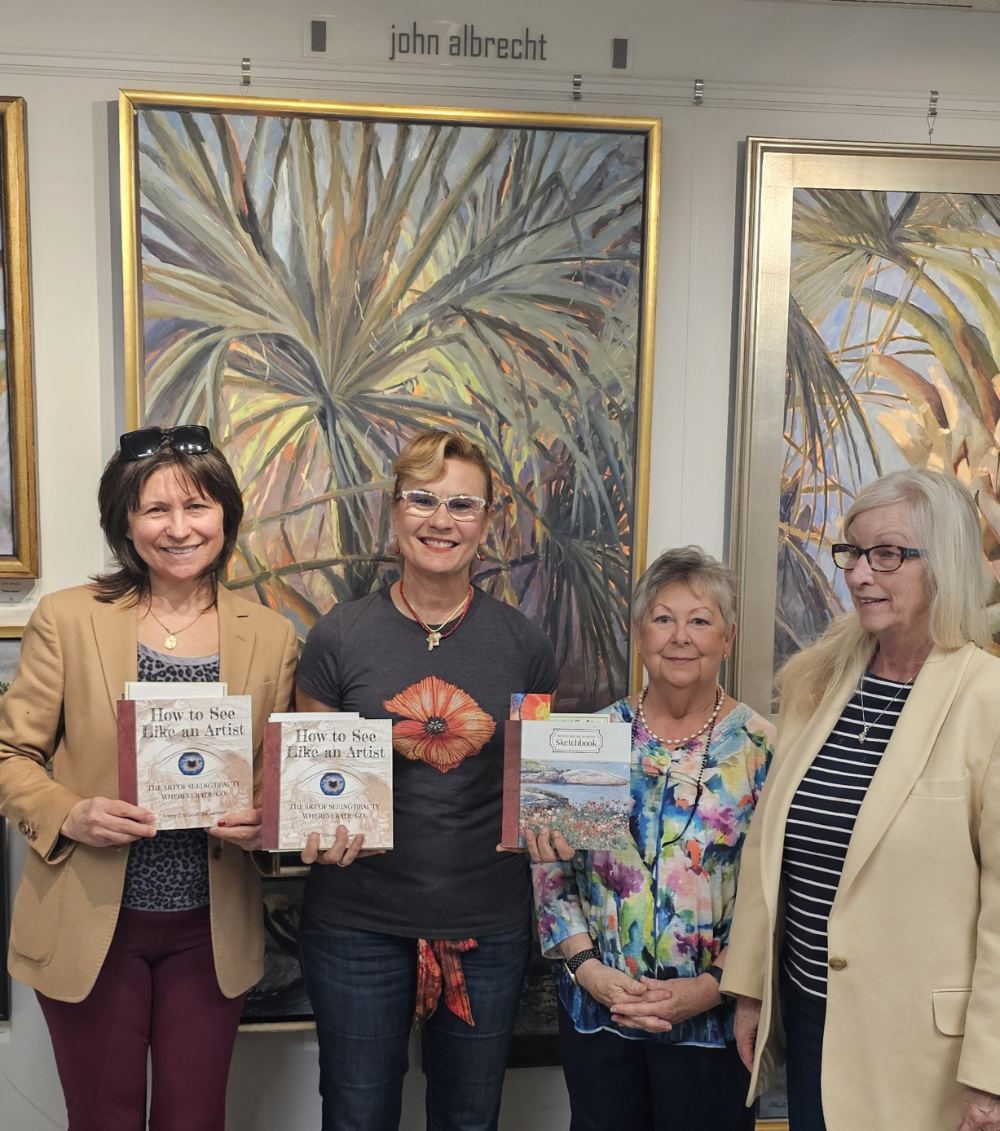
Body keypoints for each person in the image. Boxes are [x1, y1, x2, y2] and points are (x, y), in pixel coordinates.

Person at [0, 425, 298, 1131]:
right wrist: (70, 813)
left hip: (209, 929)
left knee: (194, 1120)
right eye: (155, 509)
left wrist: (268, 819)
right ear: (125, 522)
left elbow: (277, 778)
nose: (179, 528)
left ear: (225, 515)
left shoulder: (271, 634)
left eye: (197, 506)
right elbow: (10, 755)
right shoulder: (68, 619)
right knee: (103, 1118)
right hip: (92, 922)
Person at [294, 428, 559, 1131]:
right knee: (356, 1116)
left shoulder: (526, 645)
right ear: (394, 511)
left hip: (487, 925)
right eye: (423, 499)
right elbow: (311, 783)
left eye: (462, 504)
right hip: (357, 922)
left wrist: (553, 825)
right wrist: (309, 828)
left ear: (487, 523)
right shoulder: (338, 637)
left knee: (470, 1120)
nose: (442, 520)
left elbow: (536, 783)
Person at [724, 467, 1000, 1131]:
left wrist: (991, 1073)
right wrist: (751, 988)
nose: (858, 574)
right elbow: (769, 842)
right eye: (852, 551)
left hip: (923, 1052)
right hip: (811, 1016)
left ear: (945, 563)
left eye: (888, 554)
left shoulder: (988, 699)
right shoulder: (820, 679)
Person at [529, 546, 774, 1131]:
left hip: (714, 1022)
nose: (680, 637)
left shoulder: (765, 749)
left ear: (727, 638)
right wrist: (588, 970)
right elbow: (551, 875)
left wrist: (712, 988)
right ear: (639, 636)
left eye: (700, 620)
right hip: (598, 1012)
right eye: (663, 619)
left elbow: (775, 893)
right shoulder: (589, 740)